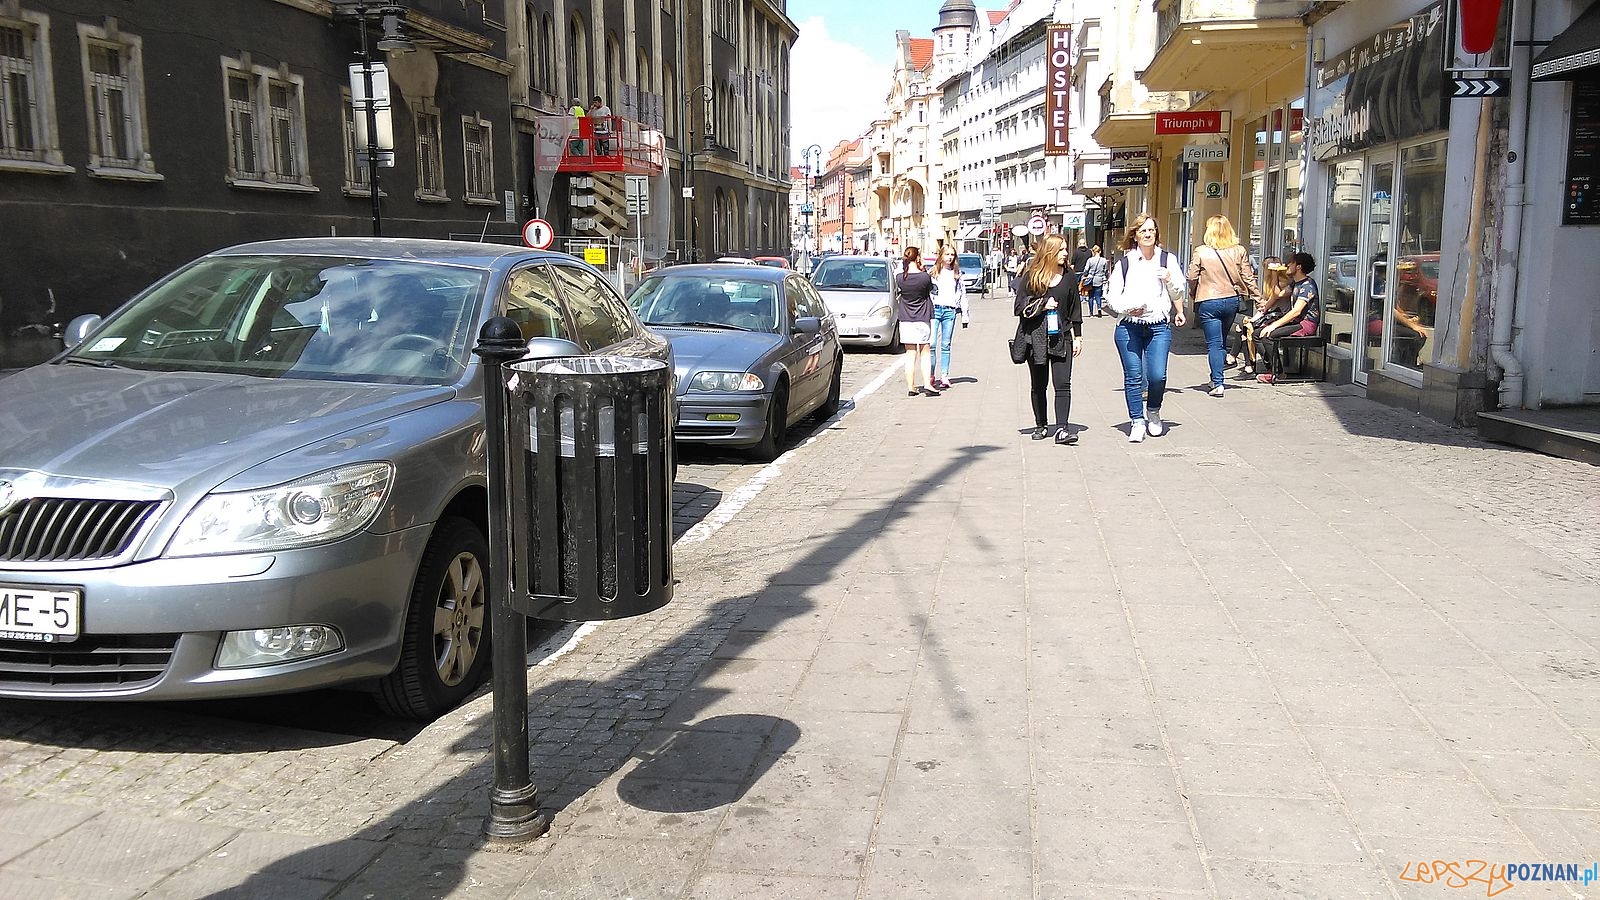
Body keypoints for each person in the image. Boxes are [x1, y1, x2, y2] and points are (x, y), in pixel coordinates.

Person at [1103, 214, 1187, 442]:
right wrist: (1129, 308)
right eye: (1143, 231)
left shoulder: (1167, 260)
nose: (1148, 234)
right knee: (1133, 376)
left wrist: (1169, 279)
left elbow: (1179, 292)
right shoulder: (1125, 262)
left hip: (1158, 326)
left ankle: (1153, 411)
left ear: (1156, 234)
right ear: (1135, 236)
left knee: (1157, 376)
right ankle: (1137, 421)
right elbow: (1110, 296)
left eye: (1151, 230)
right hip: (1128, 327)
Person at [1012, 234, 1083, 444]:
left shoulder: (1069, 276)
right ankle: (1041, 424)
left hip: (1062, 336)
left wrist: (1078, 336)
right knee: (1039, 384)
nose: (1065, 253)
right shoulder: (1032, 275)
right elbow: (1018, 306)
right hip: (1036, 336)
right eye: (1061, 250)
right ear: (1050, 251)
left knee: (1063, 383)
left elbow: (1075, 308)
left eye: (1065, 249)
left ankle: (1062, 428)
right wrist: (1042, 305)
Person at [1187, 215, 1261, 397]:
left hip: (1208, 300)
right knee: (1221, 341)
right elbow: (1248, 277)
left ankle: (1217, 382)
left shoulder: (1201, 252)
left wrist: (1193, 292)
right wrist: (1259, 298)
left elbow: (1191, 276)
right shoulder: (1239, 250)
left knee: (1214, 343)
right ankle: (1216, 378)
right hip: (1231, 300)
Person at [1256, 251, 1322, 384]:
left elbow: (1296, 311)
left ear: (1298, 267)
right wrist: (1274, 274)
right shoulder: (1295, 284)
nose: (1287, 266)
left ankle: (1278, 373)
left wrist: (1273, 325)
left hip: (1306, 324)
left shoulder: (1308, 285)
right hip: (1296, 322)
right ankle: (1271, 368)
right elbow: (1278, 294)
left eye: (1291, 263)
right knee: (1257, 333)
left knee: (1269, 335)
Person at [1236, 257, 1289, 378]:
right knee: (1243, 328)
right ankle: (1248, 365)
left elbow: (1268, 304)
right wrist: (1253, 319)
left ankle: (1267, 366)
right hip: (1271, 316)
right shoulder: (1269, 284)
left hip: (1279, 317)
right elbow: (1264, 308)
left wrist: (1253, 319)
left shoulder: (1282, 283)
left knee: (1254, 332)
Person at [895, 247, 938, 396]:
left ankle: (911, 387)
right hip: (922, 317)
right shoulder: (924, 277)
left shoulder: (900, 278)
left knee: (910, 353)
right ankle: (927, 384)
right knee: (924, 352)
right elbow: (931, 290)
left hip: (906, 318)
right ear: (917, 257)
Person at [928, 244, 968, 390]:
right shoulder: (933, 272)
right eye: (947, 254)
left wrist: (965, 315)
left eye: (952, 255)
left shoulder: (957, 274)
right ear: (941, 256)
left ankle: (944, 375)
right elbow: (927, 292)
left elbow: (963, 294)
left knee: (946, 345)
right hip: (935, 310)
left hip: (950, 311)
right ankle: (931, 374)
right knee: (931, 344)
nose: (950, 257)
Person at [1081, 245, 1110, 317]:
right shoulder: (1103, 260)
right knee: (1098, 296)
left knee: (1090, 296)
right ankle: (1099, 309)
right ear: (1100, 251)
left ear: (1093, 252)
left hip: (1091, 279)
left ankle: (1091, 313)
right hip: (1099, 279)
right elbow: (1105, 270)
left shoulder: (1090, 260)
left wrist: (1085, 275)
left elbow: (1086, 270)